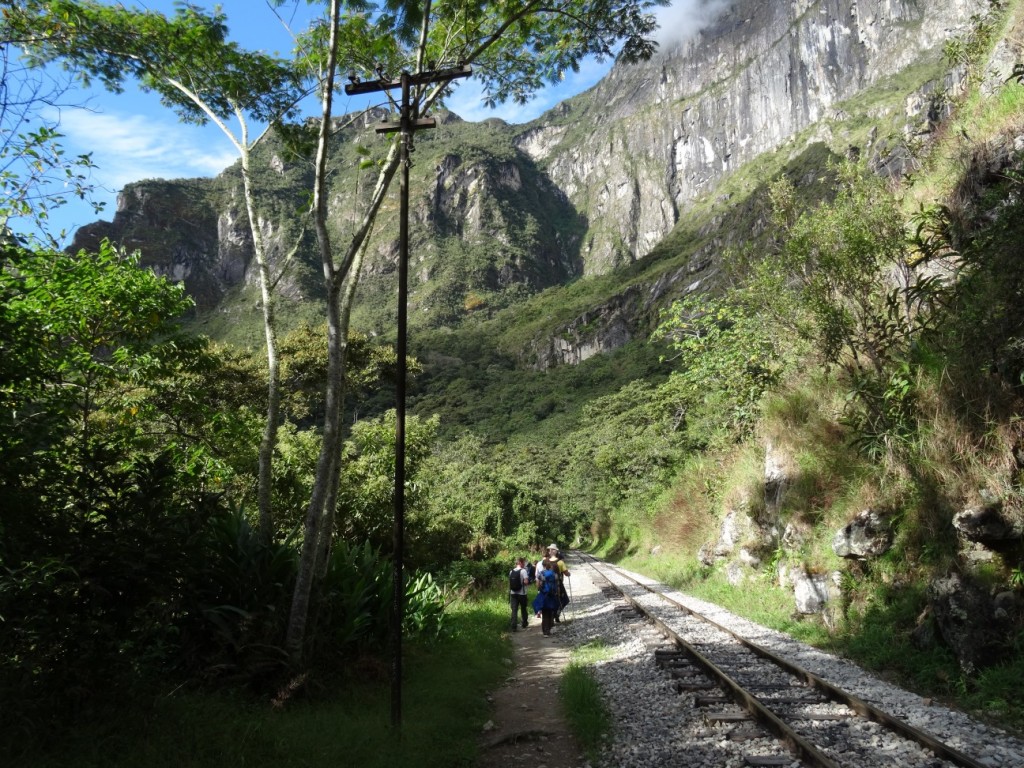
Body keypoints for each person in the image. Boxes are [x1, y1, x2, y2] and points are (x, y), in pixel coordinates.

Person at [533, 557, 561, 635]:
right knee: (551, 612)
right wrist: (558, 594)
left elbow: (538, 586)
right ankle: (550, 628)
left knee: (545, 613)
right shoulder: (554, 574)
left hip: (544, 595)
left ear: (543, 565)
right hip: (553, 595)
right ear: (550, 565)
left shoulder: (541, 574)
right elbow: (558, 585)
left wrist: (540, 588)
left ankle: (545, 631)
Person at [546, 544, 570, 622]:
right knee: (565, 600)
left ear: (550, 551)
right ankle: (557, 614)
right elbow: (566, 573)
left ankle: (552, 616)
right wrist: (568, 573)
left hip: (548, 584)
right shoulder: (560, 562)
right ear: (556, 551)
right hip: (558, 584)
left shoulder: (546, 561)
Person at [509, 556, 530, 632]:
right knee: (523, 608)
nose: (524, 564)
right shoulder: (523, 571)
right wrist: (527, 582)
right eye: (523, 562)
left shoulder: (511, 571)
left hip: (513, 593)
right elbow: (526, 582)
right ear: (520, 563)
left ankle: (513, 626)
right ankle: (524, 623)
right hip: (522, 594)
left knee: (514, 610)